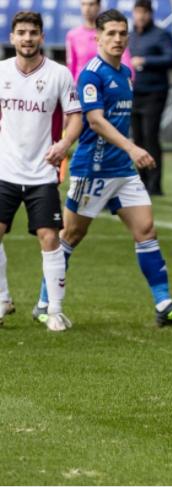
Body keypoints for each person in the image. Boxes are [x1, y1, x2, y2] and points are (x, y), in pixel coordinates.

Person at [33, 9, 172, 327]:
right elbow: (95, 121)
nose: (117, 39)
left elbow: (119, 120)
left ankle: (164, 304)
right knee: (71, 235)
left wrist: (128, 151)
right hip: (92, 170)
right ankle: (44, 302)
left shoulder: (125, 72)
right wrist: (133, 147)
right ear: (97, 37)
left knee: (146, 230)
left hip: (122, 171)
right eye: (110, 33)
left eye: (122, 33)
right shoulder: (91, 75)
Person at [0, 11, 82, 331]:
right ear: (12, 37)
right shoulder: (2, 72)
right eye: (21, 32)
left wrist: (63, 145)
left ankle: (55, 310)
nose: (27, 38)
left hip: (42, 173)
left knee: (50, 238)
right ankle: (3, 299)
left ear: (42, 37)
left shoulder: (60, 74)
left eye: (33, 32)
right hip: (5, 171)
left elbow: (75, 116)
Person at [129, 0, 172, 196]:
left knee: (151, 136)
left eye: (144, 12)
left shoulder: (160, 35)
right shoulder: (130, 36)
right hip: (133, 93)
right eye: (138, 12)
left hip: (154, 92)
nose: (140, 16)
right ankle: (141, 181)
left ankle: (155, 184)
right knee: (138, 138)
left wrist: (146, 61)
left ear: (150, 14)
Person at [66, 0, 132, 82]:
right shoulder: (73, 35)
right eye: (83, 4)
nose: (87, 9)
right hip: (82, 86)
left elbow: (125, 60)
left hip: (108, 86)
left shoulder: (111, 32)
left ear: (99, 6)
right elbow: (71, 66)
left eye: (91, 4)